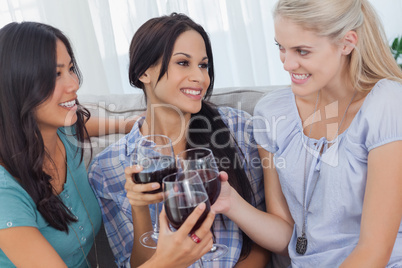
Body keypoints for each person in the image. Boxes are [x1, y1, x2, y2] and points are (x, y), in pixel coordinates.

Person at [0, 21, 206, 268]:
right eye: (55, 74)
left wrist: (129, 124)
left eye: (71, 69)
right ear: (16, 85)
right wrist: (168, 260)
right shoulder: (6, 195)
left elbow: (83, 125)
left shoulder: (62, 132)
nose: (74, 84)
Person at [212, 0, 402, 267]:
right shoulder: (273, 112)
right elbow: (288, 238)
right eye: (281, 47)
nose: (287, 64)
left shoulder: (386, 104)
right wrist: (230, 200)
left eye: (302, 51)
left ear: (347, 43)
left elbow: (374, 251)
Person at [88, 12, 269, 268]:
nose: (200, 77)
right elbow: (139, 264)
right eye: (183, 63)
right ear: (143, 73)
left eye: (203, 65)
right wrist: (140, 209)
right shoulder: (108, 168)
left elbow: (260, 241)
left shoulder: (237, 128)